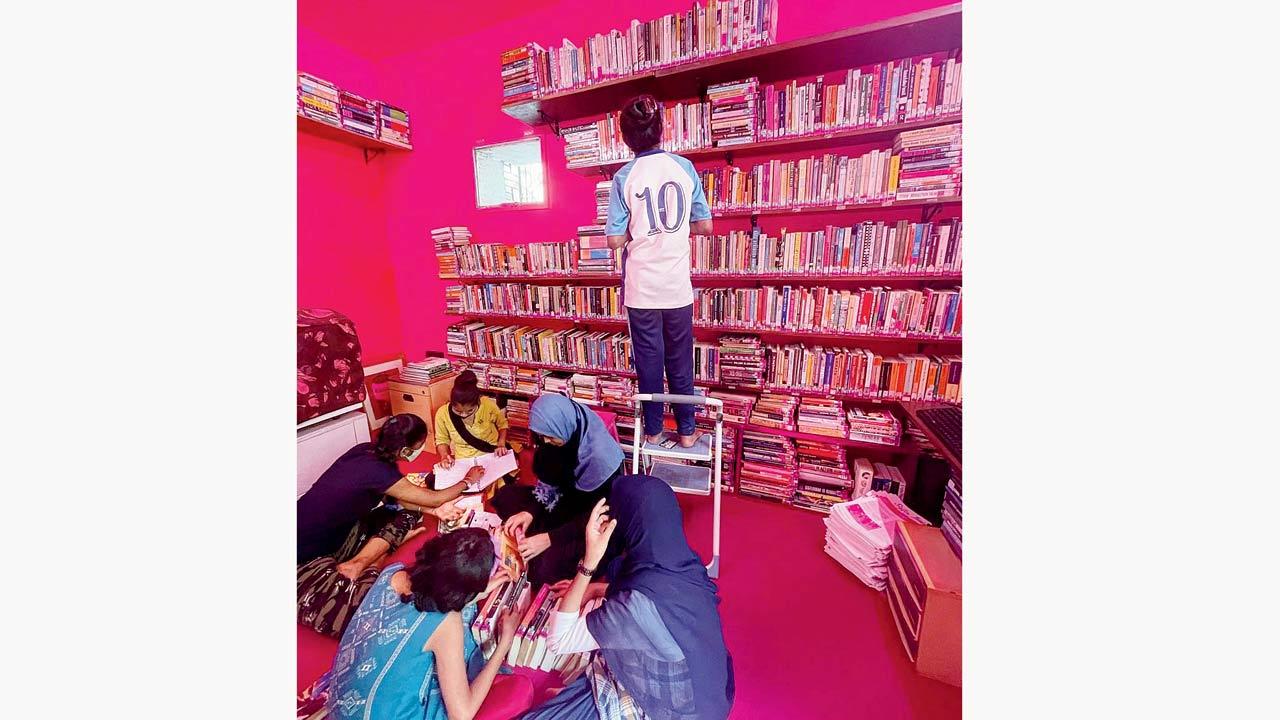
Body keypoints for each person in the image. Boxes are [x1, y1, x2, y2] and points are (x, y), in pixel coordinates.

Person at [520, 475, 735, 720]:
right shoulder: (685, 565)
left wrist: (588, 564)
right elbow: (649, 595)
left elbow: (559, 640)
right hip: (707, 696)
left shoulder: (634, 606)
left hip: (675, 710)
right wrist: (595, 589)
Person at [297, 528, 530, 720]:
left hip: (341, 702)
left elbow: (424, 599)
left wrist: (475, 593)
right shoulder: (447, 623)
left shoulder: (393, 572)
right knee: (518, 691)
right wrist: (505, 642)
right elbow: (462, 714)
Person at [297, 413, 480, 636]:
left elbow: (395, 495)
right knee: (406, 518)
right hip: (308, 553)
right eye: (420, 445)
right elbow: (435, 497)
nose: (422, 449)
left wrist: (432, 511)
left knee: (406, 511)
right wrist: (467, 480)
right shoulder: (379, 471)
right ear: (405, 451)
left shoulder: (365, 450)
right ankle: (365, 561)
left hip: (323, 528)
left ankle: (365, 558)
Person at [605, 94, 714, 449]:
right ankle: (686, 432)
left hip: (642, 292)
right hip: (677, 289)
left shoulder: (624, 177)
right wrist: (678, 230)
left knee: (649, 366)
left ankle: (653, 431)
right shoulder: (684, 168)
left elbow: (614, 240)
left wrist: (638, 230)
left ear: (625, 138)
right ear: (662, 130)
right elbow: (706, 226)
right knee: (681, 363)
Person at [490, 394, 624, 586]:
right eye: (541, 435)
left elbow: (601, 515)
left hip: (589, 521)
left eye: (550, 436)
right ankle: (535, 534)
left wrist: (549, 539)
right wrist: (529, 512)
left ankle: (539, 540)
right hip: (562, 501)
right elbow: (549, 483)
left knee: (542, 571)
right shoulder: (556, 434)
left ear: (563, 427)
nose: (544, 442)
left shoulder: (600, 459)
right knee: (505, 496)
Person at [435, 369, 511, 468]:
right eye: (458, 411)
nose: (463, 415)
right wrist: (444, 456)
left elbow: (502, 424)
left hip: (491, 453)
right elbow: (442, 439)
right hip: (464, 459)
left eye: (470, 411)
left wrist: (501, 444)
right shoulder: (442, 414)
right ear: (451, 403)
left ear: (478, 402)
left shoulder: (488, 405)